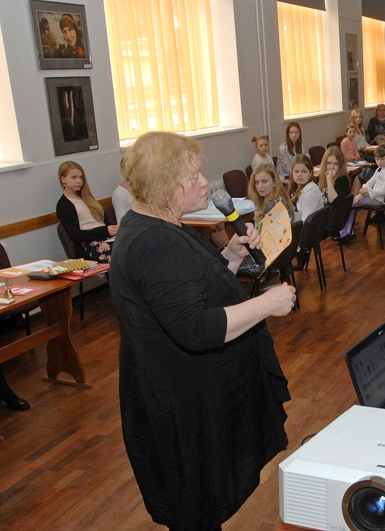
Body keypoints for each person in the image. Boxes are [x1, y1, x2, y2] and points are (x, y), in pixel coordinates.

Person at [110, 131, 295, 531]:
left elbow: (187, 295)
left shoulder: (156, 225)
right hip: (181, 402)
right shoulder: (154, 242)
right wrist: (267, 304)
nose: (203, 183)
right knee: (195, 509)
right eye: (192, 177)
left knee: (202, 508)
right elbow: (194, 328)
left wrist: (230, 258)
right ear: (163, 187)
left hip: (190, 392)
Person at [56, 161, 117, 262]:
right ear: (63, 179)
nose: (79, 181)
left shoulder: (86, 198)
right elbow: (76, 235)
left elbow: (102, 222)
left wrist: (113, 229)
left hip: (105, 237)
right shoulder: (64, 205)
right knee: (121, 253)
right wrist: (105, 230)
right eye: (74, 177)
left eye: (81, 177)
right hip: (88, 244)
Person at [289, 155, 324, 223]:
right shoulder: (296, 187)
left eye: (304, 171)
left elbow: (305, 222)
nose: (299, 174)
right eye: (296, 171)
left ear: (310, 173)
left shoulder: (311, 192)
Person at [113, 156, 134, 224]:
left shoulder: (144, 189)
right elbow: (121, 223)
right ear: (122, 171)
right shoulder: (119, 194)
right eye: (130, 169)